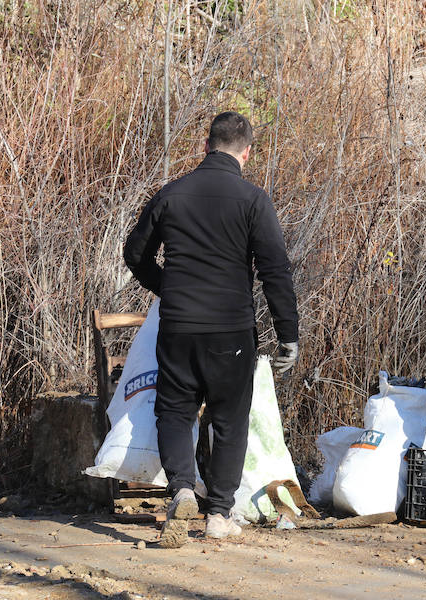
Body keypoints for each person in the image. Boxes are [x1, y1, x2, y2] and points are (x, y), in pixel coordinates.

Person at [124, 111, 299, 546]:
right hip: (230, 330)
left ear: (206, 146)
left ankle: (182, 488)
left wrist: (168, 287)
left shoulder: (171, 194)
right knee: (228, 419)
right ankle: (218, 514)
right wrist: (287, 333)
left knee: (175, 409)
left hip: (179, 325)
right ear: (247, 153)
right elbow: (275, 270)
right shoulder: (253, 200)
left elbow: (135, 254)